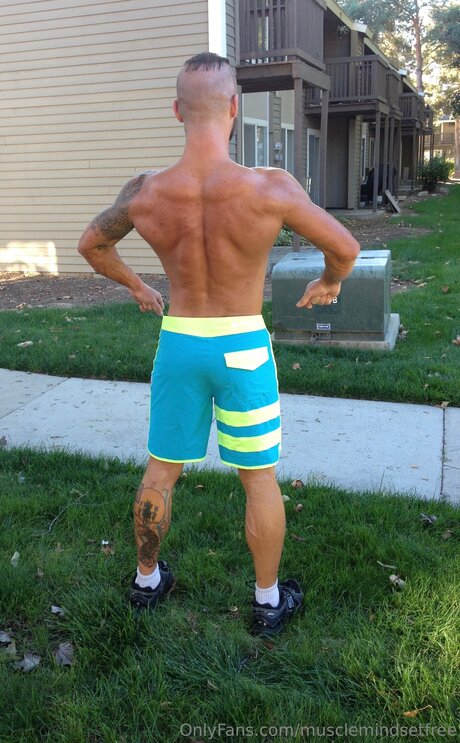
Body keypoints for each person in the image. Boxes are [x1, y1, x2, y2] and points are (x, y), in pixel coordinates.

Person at [77, 52, 360, 637]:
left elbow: (92, 245)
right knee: (258, 478)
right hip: (242, 346)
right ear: (234, 107)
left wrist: (137, 287)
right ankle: (267, 601)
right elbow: (346, 248)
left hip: (180, 342)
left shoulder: (145, 191)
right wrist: (330, 281)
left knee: (161, 470)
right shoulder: (270, 188)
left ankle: (146, 581)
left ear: (177, 111)